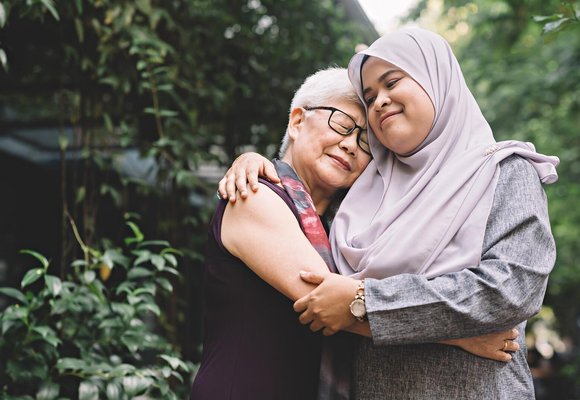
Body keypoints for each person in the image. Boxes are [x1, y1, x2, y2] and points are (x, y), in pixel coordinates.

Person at [218, 28, 559, 399]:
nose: (379, 101)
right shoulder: (367, 194)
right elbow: (316, 271)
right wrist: (252, 159)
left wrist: (367, 302)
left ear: (437, 80)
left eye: (392, 82)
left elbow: (512, 289)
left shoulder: (505, 171)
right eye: (369, 97)